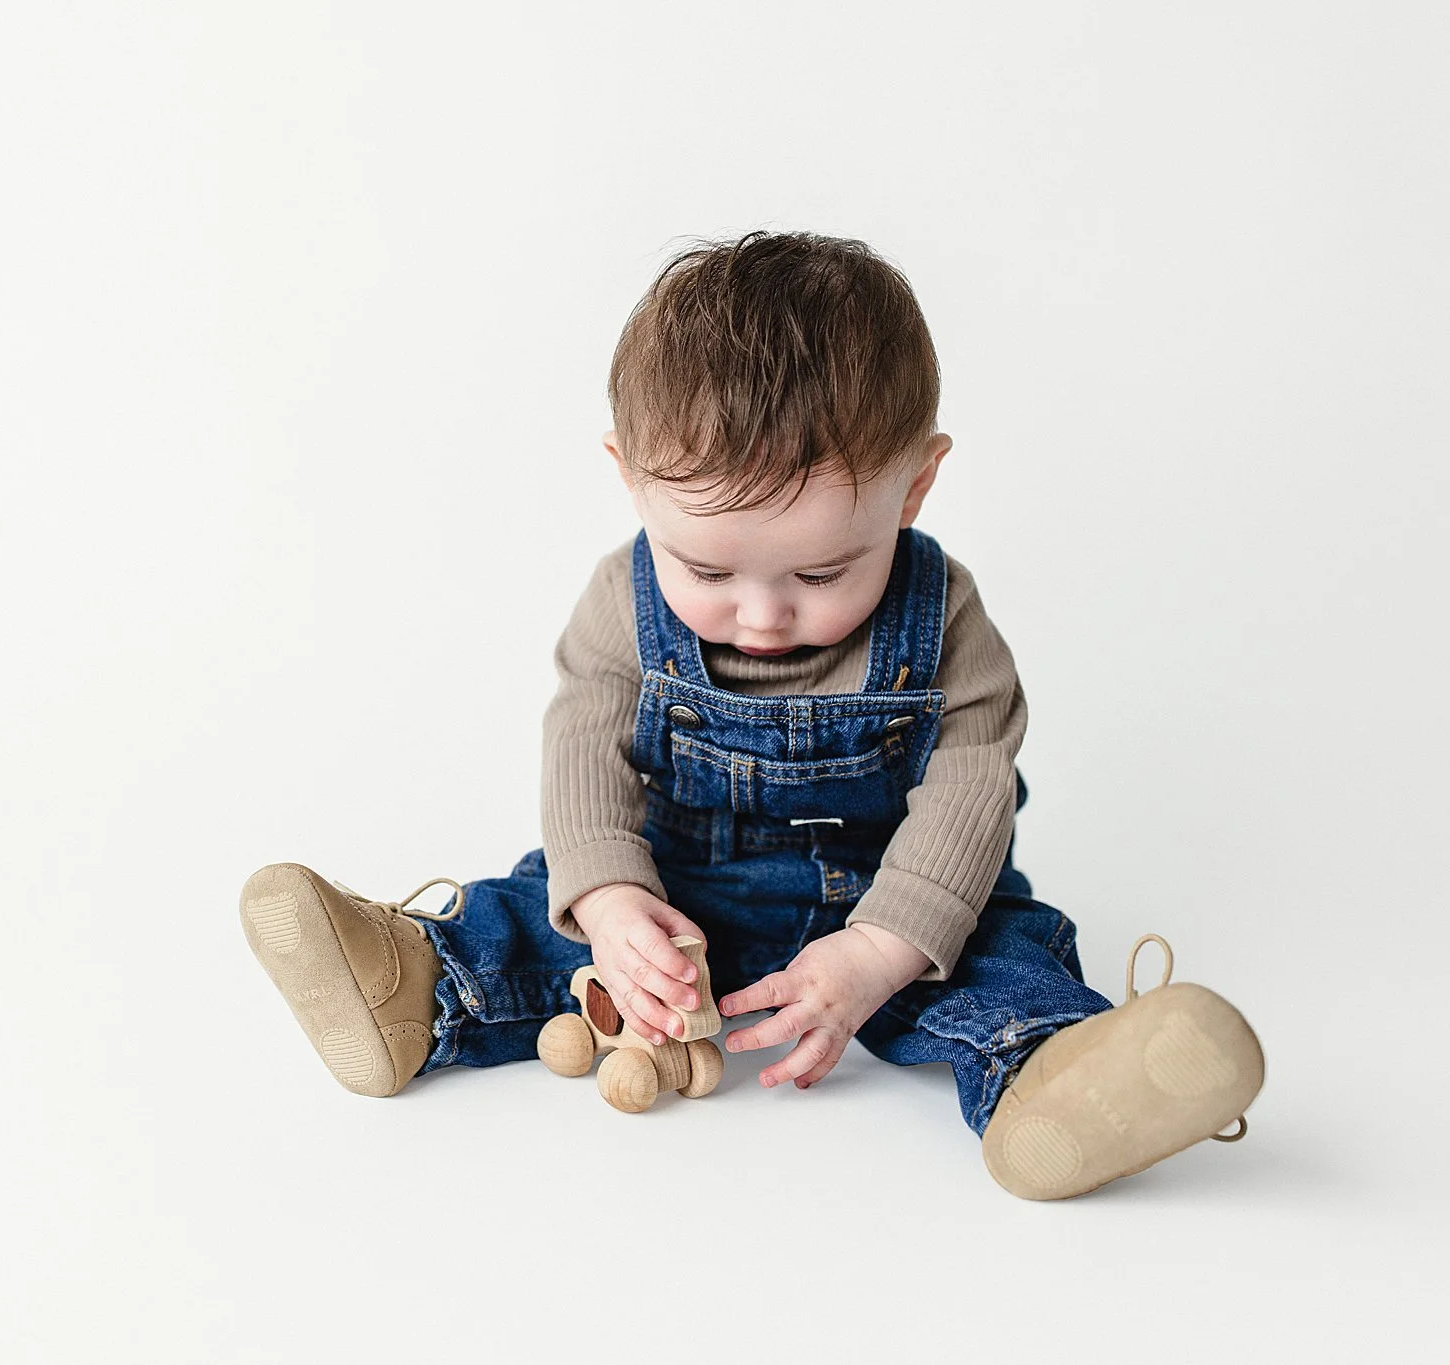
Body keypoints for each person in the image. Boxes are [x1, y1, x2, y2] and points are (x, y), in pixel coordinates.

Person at [238, 230, 1262, 1199]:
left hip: (893, 898)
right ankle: (412, 987)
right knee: (535, 912)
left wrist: (878, 952)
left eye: (821, 571)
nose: (763, 614)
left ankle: (1056, 1083)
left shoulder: (940, 618)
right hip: (678, 890)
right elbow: (583, 748)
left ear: (916, 485)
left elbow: (969, 793)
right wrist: (608, 899)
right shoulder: (619, 605)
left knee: (1001, 960)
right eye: (707, 568)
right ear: (630, 480)